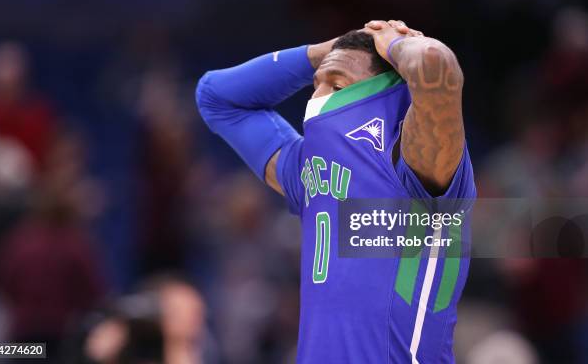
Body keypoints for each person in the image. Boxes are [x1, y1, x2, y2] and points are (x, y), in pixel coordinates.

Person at [196, 20, 476, 363]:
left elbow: (436, 64)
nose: (315, 98)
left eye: (336, 83)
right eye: (316, 85)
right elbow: (215, 97)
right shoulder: (306, 175)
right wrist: (325, 52)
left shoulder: (414, 161)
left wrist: (394, 44)